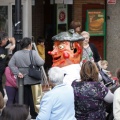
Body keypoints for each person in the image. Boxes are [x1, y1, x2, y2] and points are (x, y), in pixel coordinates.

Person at [8, 37, 44, 119]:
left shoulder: (17, 54)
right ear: (29, 45)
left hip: (22, 80)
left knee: (23, 99)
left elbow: (10, 64)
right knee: (35, 100)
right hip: (34, 80)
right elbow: (41, 62)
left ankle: (23, 115)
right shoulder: (33, 53)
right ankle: (34, 116)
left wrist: (17, 73)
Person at [0, 32, 16, 97]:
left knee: (2, 94)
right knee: (2, 94)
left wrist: (13, 45)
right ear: (2, 40)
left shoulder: (4, 44)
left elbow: (12, 39)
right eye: (6, 40)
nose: (7, 40)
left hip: (1, 75)